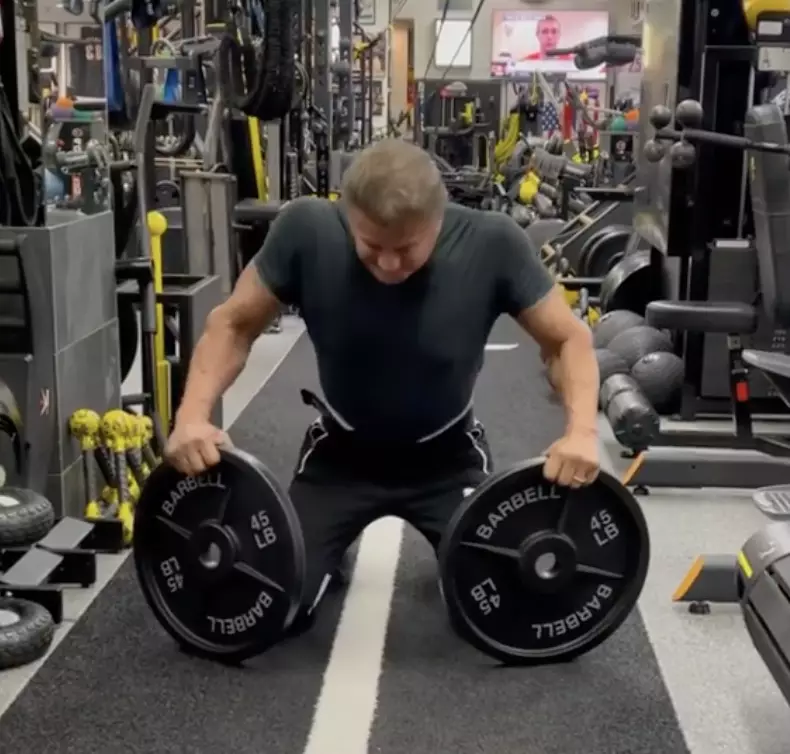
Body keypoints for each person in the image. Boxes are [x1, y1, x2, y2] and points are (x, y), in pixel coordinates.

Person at [164, 139, 600, 629]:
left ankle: (445, 553)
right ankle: (327, 547)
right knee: (266, 604)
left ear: (440, 219)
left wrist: (581, 431)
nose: (389, 265)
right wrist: (192, 417)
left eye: (407, 249)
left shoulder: (492, 242)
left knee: (499, 607)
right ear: (348, 215)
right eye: (371, 247)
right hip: (341, 455)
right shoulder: (306, 229)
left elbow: (567, 341)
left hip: (448, 457)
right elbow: (235, 325)